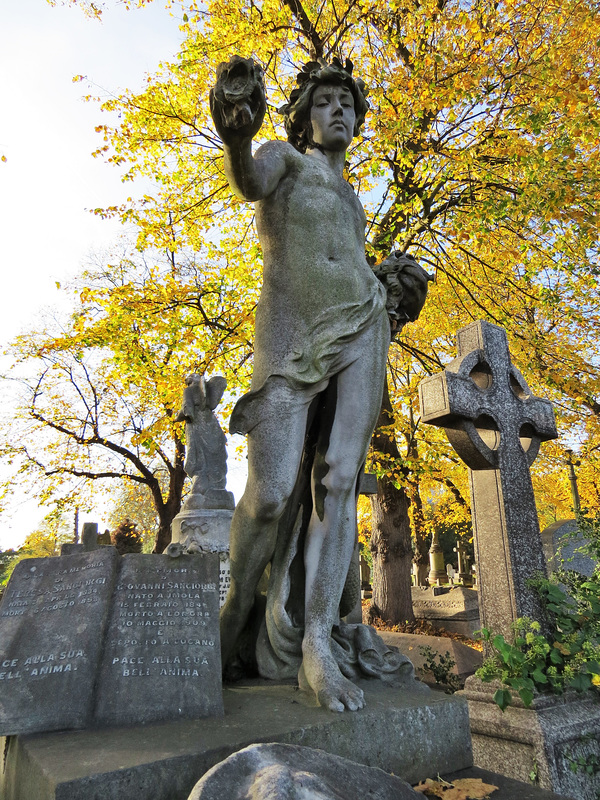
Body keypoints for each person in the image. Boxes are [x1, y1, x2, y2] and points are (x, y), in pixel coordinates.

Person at [210, 56, 430, 712]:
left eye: (347, 104)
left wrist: (391, 288)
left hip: (363, 324)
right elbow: (248, 181)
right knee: (274, 493)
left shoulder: (355, 200)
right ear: (305, 116)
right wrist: (235, 135)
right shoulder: (285, 159)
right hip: (291, 333)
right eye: (325, 102)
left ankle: (316, 646)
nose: (338, 111)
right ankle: (231, 623)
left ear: (357, 121)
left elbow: (348, 261)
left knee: (339, 483)